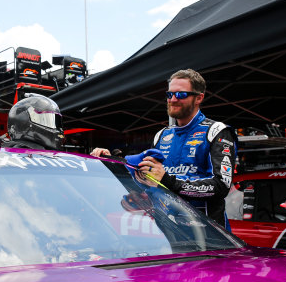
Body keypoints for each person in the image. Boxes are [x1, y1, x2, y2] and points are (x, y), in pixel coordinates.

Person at [92, 69, 237, 228]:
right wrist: (112, 161)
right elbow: (150, 181)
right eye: (169, 95)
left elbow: (221, 186)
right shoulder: (162, 135)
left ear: (199, 98)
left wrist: (169, 181)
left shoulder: (216, 131)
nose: (173, 99)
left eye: (180, 95)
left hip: (210, 233)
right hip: (170, 232)